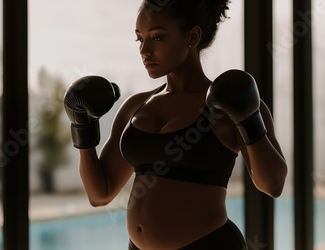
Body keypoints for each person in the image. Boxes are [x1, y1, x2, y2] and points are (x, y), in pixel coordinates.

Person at [63, 0, 287, 249]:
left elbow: (273, 184)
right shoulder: (135, 106)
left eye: (157, 38)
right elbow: (100, 194)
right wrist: (81, 126)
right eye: (140, 39)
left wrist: (249, 120)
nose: (144, 51)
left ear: (192, 36)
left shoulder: (229, 103)